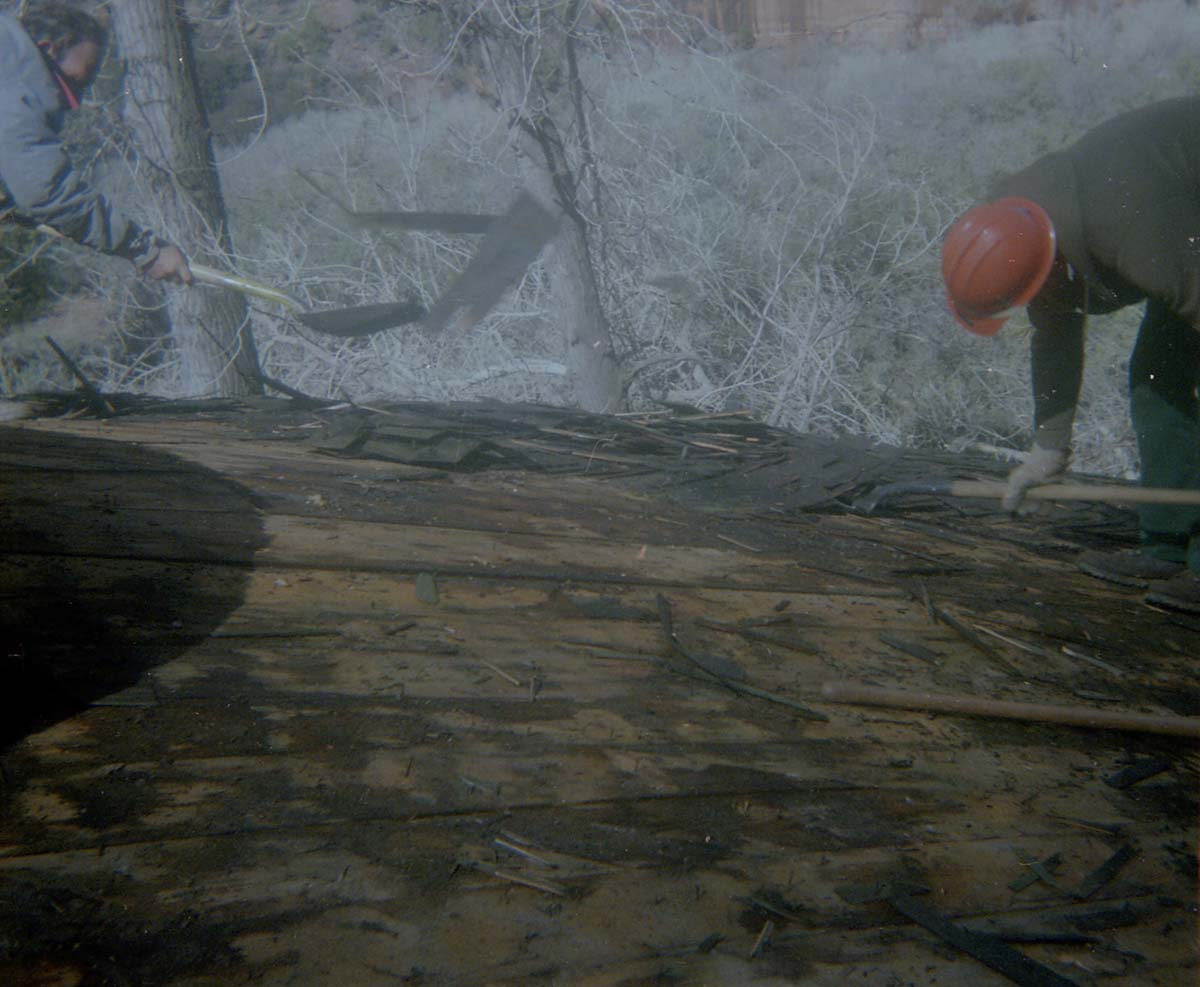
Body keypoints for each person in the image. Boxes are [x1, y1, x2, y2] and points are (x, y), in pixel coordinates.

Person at [941, 96, 1200, 613]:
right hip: (1177, 216)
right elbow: (1055, 330)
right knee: (1155, 380)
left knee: (1180, 376)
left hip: (1173, 224)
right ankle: (1167, 545)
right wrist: (1049, 449)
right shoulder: (1024, 227)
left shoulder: (1130, 229)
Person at [0, 1, 192, 284]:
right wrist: (144, 249)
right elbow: (48, 193)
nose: (77, 98)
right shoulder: (20, 90)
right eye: (81, 78)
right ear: (48, 48)